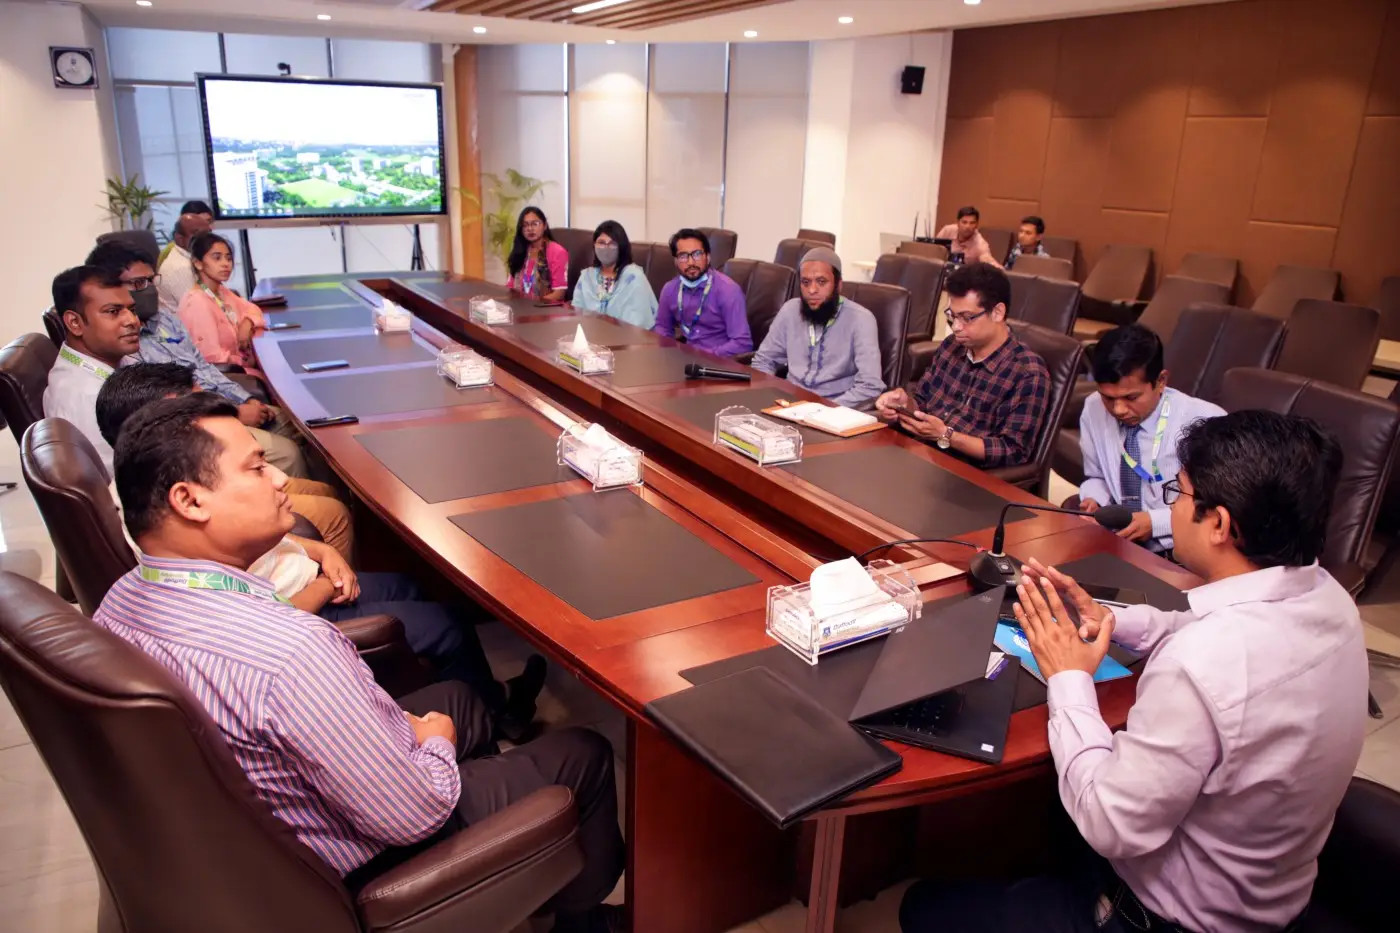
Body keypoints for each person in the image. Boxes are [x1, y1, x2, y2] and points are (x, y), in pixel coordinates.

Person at [95, 393, 622, 932]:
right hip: (345, 867)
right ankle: (577, 922)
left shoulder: (119, 602)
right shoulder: (290, 650)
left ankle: (503, 885)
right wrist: (435, 744)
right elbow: (413, 814)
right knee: (582, 754)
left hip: (244, 848)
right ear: (189, 500)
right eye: (255, 468)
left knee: (462, 700)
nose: (279, 478)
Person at [901, 411, 1367, 933]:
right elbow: (1223, 641)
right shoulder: (1330, 599)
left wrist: (1068, 677)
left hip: (1163, 918)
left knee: (922, 907)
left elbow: (1110, 823)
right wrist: (1112, 620)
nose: (1173, 506)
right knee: (1046, 823)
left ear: (1219, 524)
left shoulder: (1201, 664)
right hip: (1268, 889)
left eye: (1179, 493)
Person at [93, 362, 546, 737]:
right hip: (309, 608)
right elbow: (272, 616)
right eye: (257, 468)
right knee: (448, 625)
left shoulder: (155, 517)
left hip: (304, 581)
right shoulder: (280, 647)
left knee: (408, 585)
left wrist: (319, 552)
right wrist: (328, 585)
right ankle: (489, 714)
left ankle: (455, 694)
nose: (278, 479)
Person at [85, 239, 317, 483]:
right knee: (288, 454)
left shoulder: (163, 319)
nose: (150, 289)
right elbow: (169, 411)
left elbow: (203, 366)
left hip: (222, 404)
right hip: (199, 425)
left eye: (152, 280)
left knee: (302, 425)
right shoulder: (124, 342)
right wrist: (234, 413)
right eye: (139, 283)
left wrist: (244, 399)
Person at [874, 263, 1048, 467]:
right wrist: (905, 405)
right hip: (922, 454)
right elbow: (922, 401)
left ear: (997, 312)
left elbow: (1013, 450)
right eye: (952, 316)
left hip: (968, 471)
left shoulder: (1027, 373)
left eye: (967, 318)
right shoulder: (951, 346)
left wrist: (946, 435)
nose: (956, 327)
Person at [1078, 324, 1224, 556]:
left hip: (1180, 553)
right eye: (1108, 397)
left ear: (1161, 380)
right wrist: (1094, 499)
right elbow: (1097, 476)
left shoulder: (1206, 420)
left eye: (1131, 397)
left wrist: (1155, 522)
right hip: (1118, 541)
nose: (1118, 409)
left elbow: (1217, 510)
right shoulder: (1093, 407)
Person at [750, 247, 884, 407]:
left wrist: (822, 411)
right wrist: (767, 394)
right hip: (787, 404)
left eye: (821, 282)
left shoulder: (861, 319)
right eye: (805, 282)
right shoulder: (790, 310)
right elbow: (764, 360)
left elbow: (870, 386)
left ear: (838, 285)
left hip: (835, 408)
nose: (812, 290)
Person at [42, 265, 141, 477]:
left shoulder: (114, 358)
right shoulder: (87, 397)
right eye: (113, 312)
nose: (132, 321)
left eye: (131, 310)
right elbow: (124, 477)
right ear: (75, 323)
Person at [652, 228, 752, 357]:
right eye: (683, 256)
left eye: (697, 254)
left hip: (719, 362)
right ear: (676, 261)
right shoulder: (670, 289)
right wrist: (669, 353)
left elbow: (742, 343)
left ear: (708, 257)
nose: (691, 262)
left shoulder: (728, 291)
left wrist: (705, 356)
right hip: (685, 360)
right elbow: (663, 328)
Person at [177, 231, 265, 370]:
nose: (226, 264)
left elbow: (254, 309)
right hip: (223, 376)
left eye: (228, 258)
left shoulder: (220, 291)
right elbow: (212, 359)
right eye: (217, 258)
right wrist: (246, 362)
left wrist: (248, 322)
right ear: (198, 263)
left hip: (238, 367)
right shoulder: (197, 302)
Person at [571, 220, 658, 329]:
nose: (606, 247)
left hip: (626, 336)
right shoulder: (587, 277)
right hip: (590, 335)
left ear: (621, 247)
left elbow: (639, 322)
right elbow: (577, 314)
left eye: (612, 243)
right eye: (601, 243)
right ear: (594, 245)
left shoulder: (633, 277)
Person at [505, 206, 568, 301]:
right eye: (525, 225)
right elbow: (510, 287)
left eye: (535, 224)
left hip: (545, 307)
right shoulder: (520, 251)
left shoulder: (557, 252)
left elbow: (559, 294)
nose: (530, 229)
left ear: (545, 226)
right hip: (519, 305)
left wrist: (533, 305)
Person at [157, 212, 212, 313]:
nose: (207, 240)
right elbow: (198, 311)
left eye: (208, 234)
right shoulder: (180, 268)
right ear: (180, 239)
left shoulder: (193, 258)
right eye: (199, 235)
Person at [935, 206, 1001, 267]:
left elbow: (989, 261)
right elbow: (933, 249)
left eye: (972, 223)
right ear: (958, 223)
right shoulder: (947, 230)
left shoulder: (980, 244)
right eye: (964, 222)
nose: (968, 226)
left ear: (977, 225)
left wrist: (1003, 273)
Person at [157, 199, 214, 267]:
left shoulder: (203, 246)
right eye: (201, 223)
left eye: (209, 221)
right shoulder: (173, 250)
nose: (209, 228)